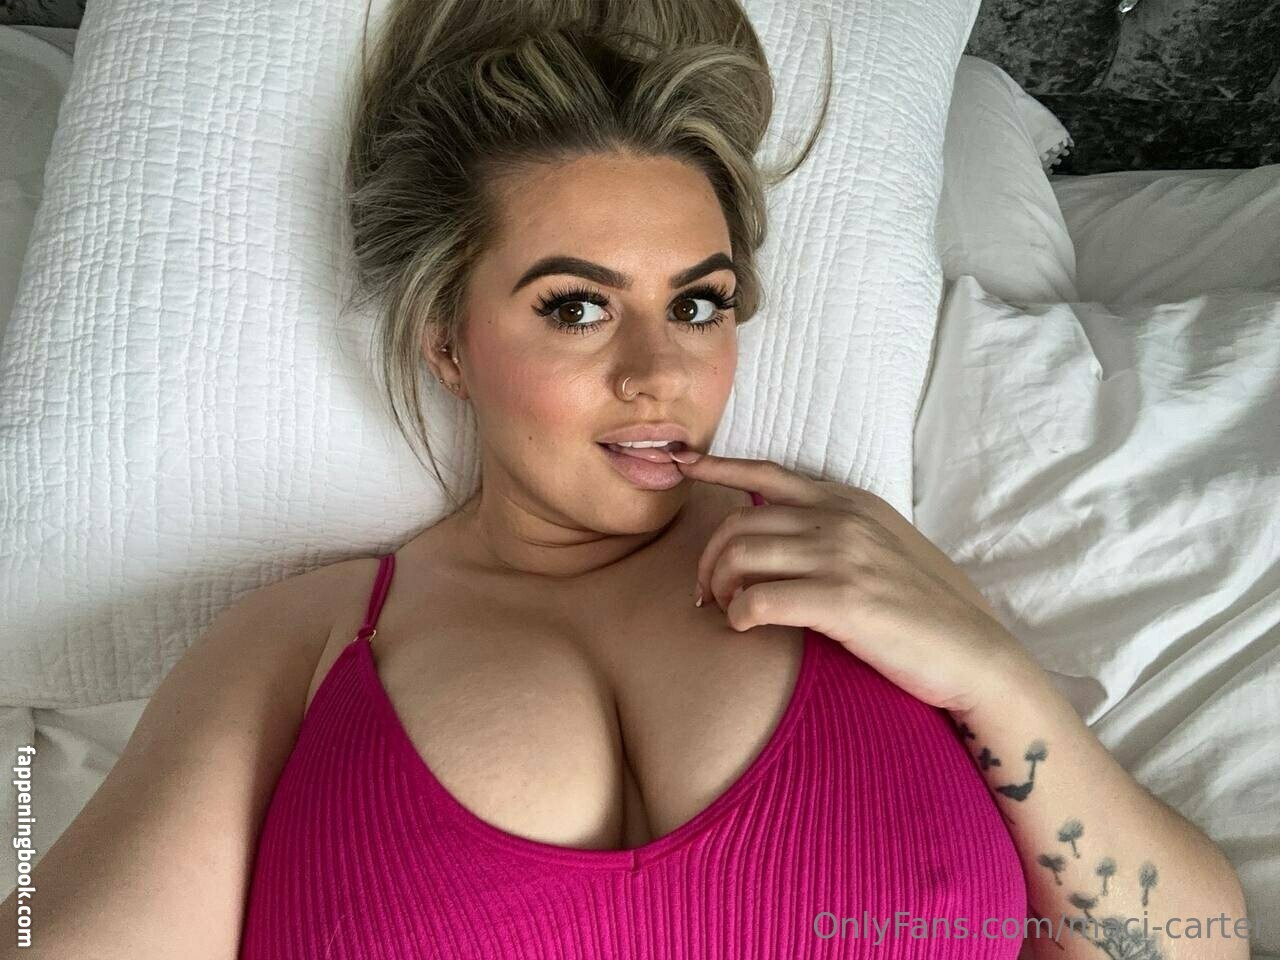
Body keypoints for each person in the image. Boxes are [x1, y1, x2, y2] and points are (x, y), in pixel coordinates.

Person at [3, 1, 1247, 958]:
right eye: (576, 307)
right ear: (447, 341)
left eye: (698, 304)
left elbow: (1190, 944)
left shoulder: (850, 557)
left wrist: (994, 676)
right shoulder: (303, 640)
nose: (658, 373)